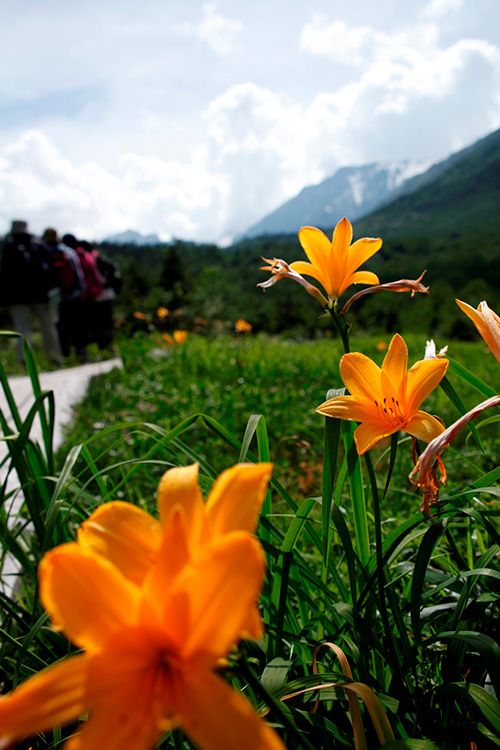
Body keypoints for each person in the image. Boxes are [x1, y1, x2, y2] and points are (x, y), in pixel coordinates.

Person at [0, 220, 61, 363]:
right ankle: (54, 357)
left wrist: (3, 300)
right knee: (48, 328)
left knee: (21, 331)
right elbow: (52, 270)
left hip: (17, 298)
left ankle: (24, 362)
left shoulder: (9, 247)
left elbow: (5, 275)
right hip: (40, 295)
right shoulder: (39, 245)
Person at [42, 228, 86, 360]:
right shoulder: (69, 252)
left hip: (55, 296)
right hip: (74, 294)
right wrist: (80, 291)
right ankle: (80, 352)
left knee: (59, 326)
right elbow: (79, 274)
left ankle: (63, 355)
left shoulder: (44, 252)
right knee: (77, 324)